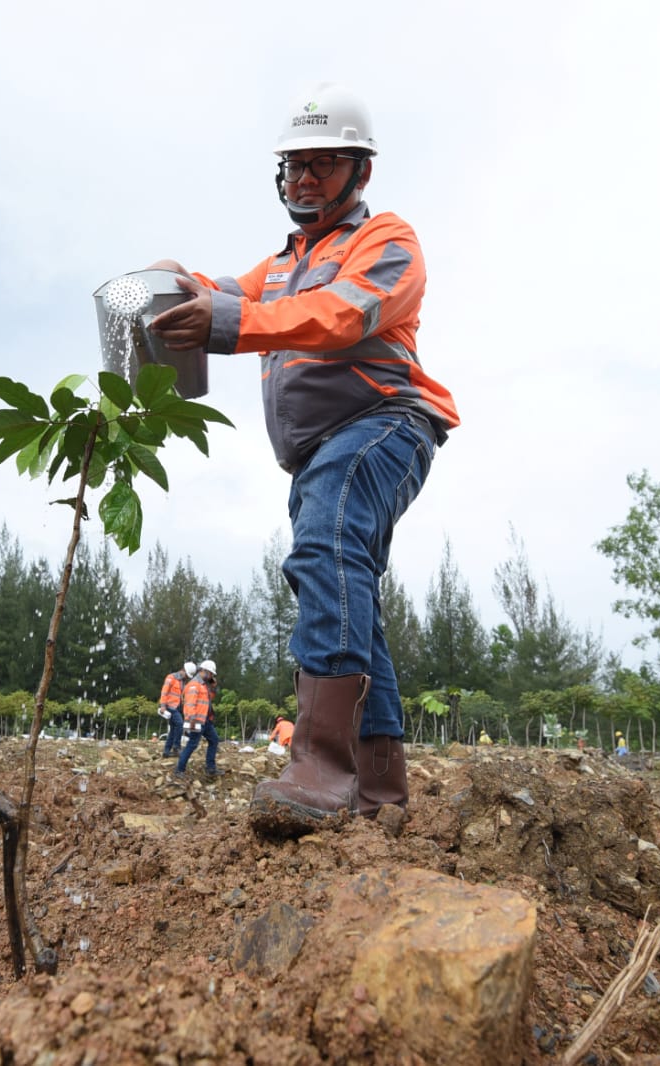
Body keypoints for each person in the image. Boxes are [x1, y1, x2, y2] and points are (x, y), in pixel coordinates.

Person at [147, 83, 458, 836]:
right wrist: (178, 284)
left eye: (324, 164)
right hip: (322, 452)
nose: (305, 179)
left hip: (384, 423)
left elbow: (344, 313)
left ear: (361, 172)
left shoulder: (386, 242)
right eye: (294, 166)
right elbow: (227, 293)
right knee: (351, 592)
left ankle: (321, 762)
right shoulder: (281, 265)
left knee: (324, 549)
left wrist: (228, 317)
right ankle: (380, 789)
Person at [175, 660, 221, 777]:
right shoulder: (194, 685)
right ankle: (179, 770)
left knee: (214, 740)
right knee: (192, 745)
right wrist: (191, 720)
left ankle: (210, 768)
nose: (211, 676)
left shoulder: (204, 686)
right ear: (203, 671)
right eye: (210, 674)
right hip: (197, 721)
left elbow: (209, 699)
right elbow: (190, 704)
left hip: (206, 721)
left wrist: (213, 687)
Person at [159, 661, 195, 758]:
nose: (187, 677)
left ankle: (166, 751)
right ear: (183, 670)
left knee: (174, 729)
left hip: (178, 708)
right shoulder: (171, 678)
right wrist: (163, 705)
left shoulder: (183, 682)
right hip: (170, 706)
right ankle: (176, 747)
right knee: (179, 724)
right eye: (186, 675)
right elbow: (164, 692)